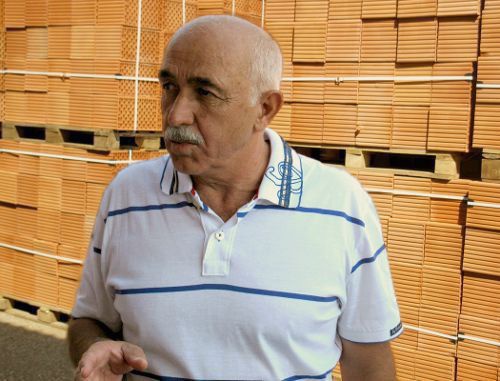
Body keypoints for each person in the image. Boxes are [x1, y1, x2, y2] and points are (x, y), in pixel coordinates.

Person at [68, 15, 402, 381]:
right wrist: (91, 346)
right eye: (168, 86)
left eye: (205, 93)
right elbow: (89, 320)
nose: (176, 114)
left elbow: (369, 366)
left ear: (265, 109)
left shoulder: (342, 207)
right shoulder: (126, 196)